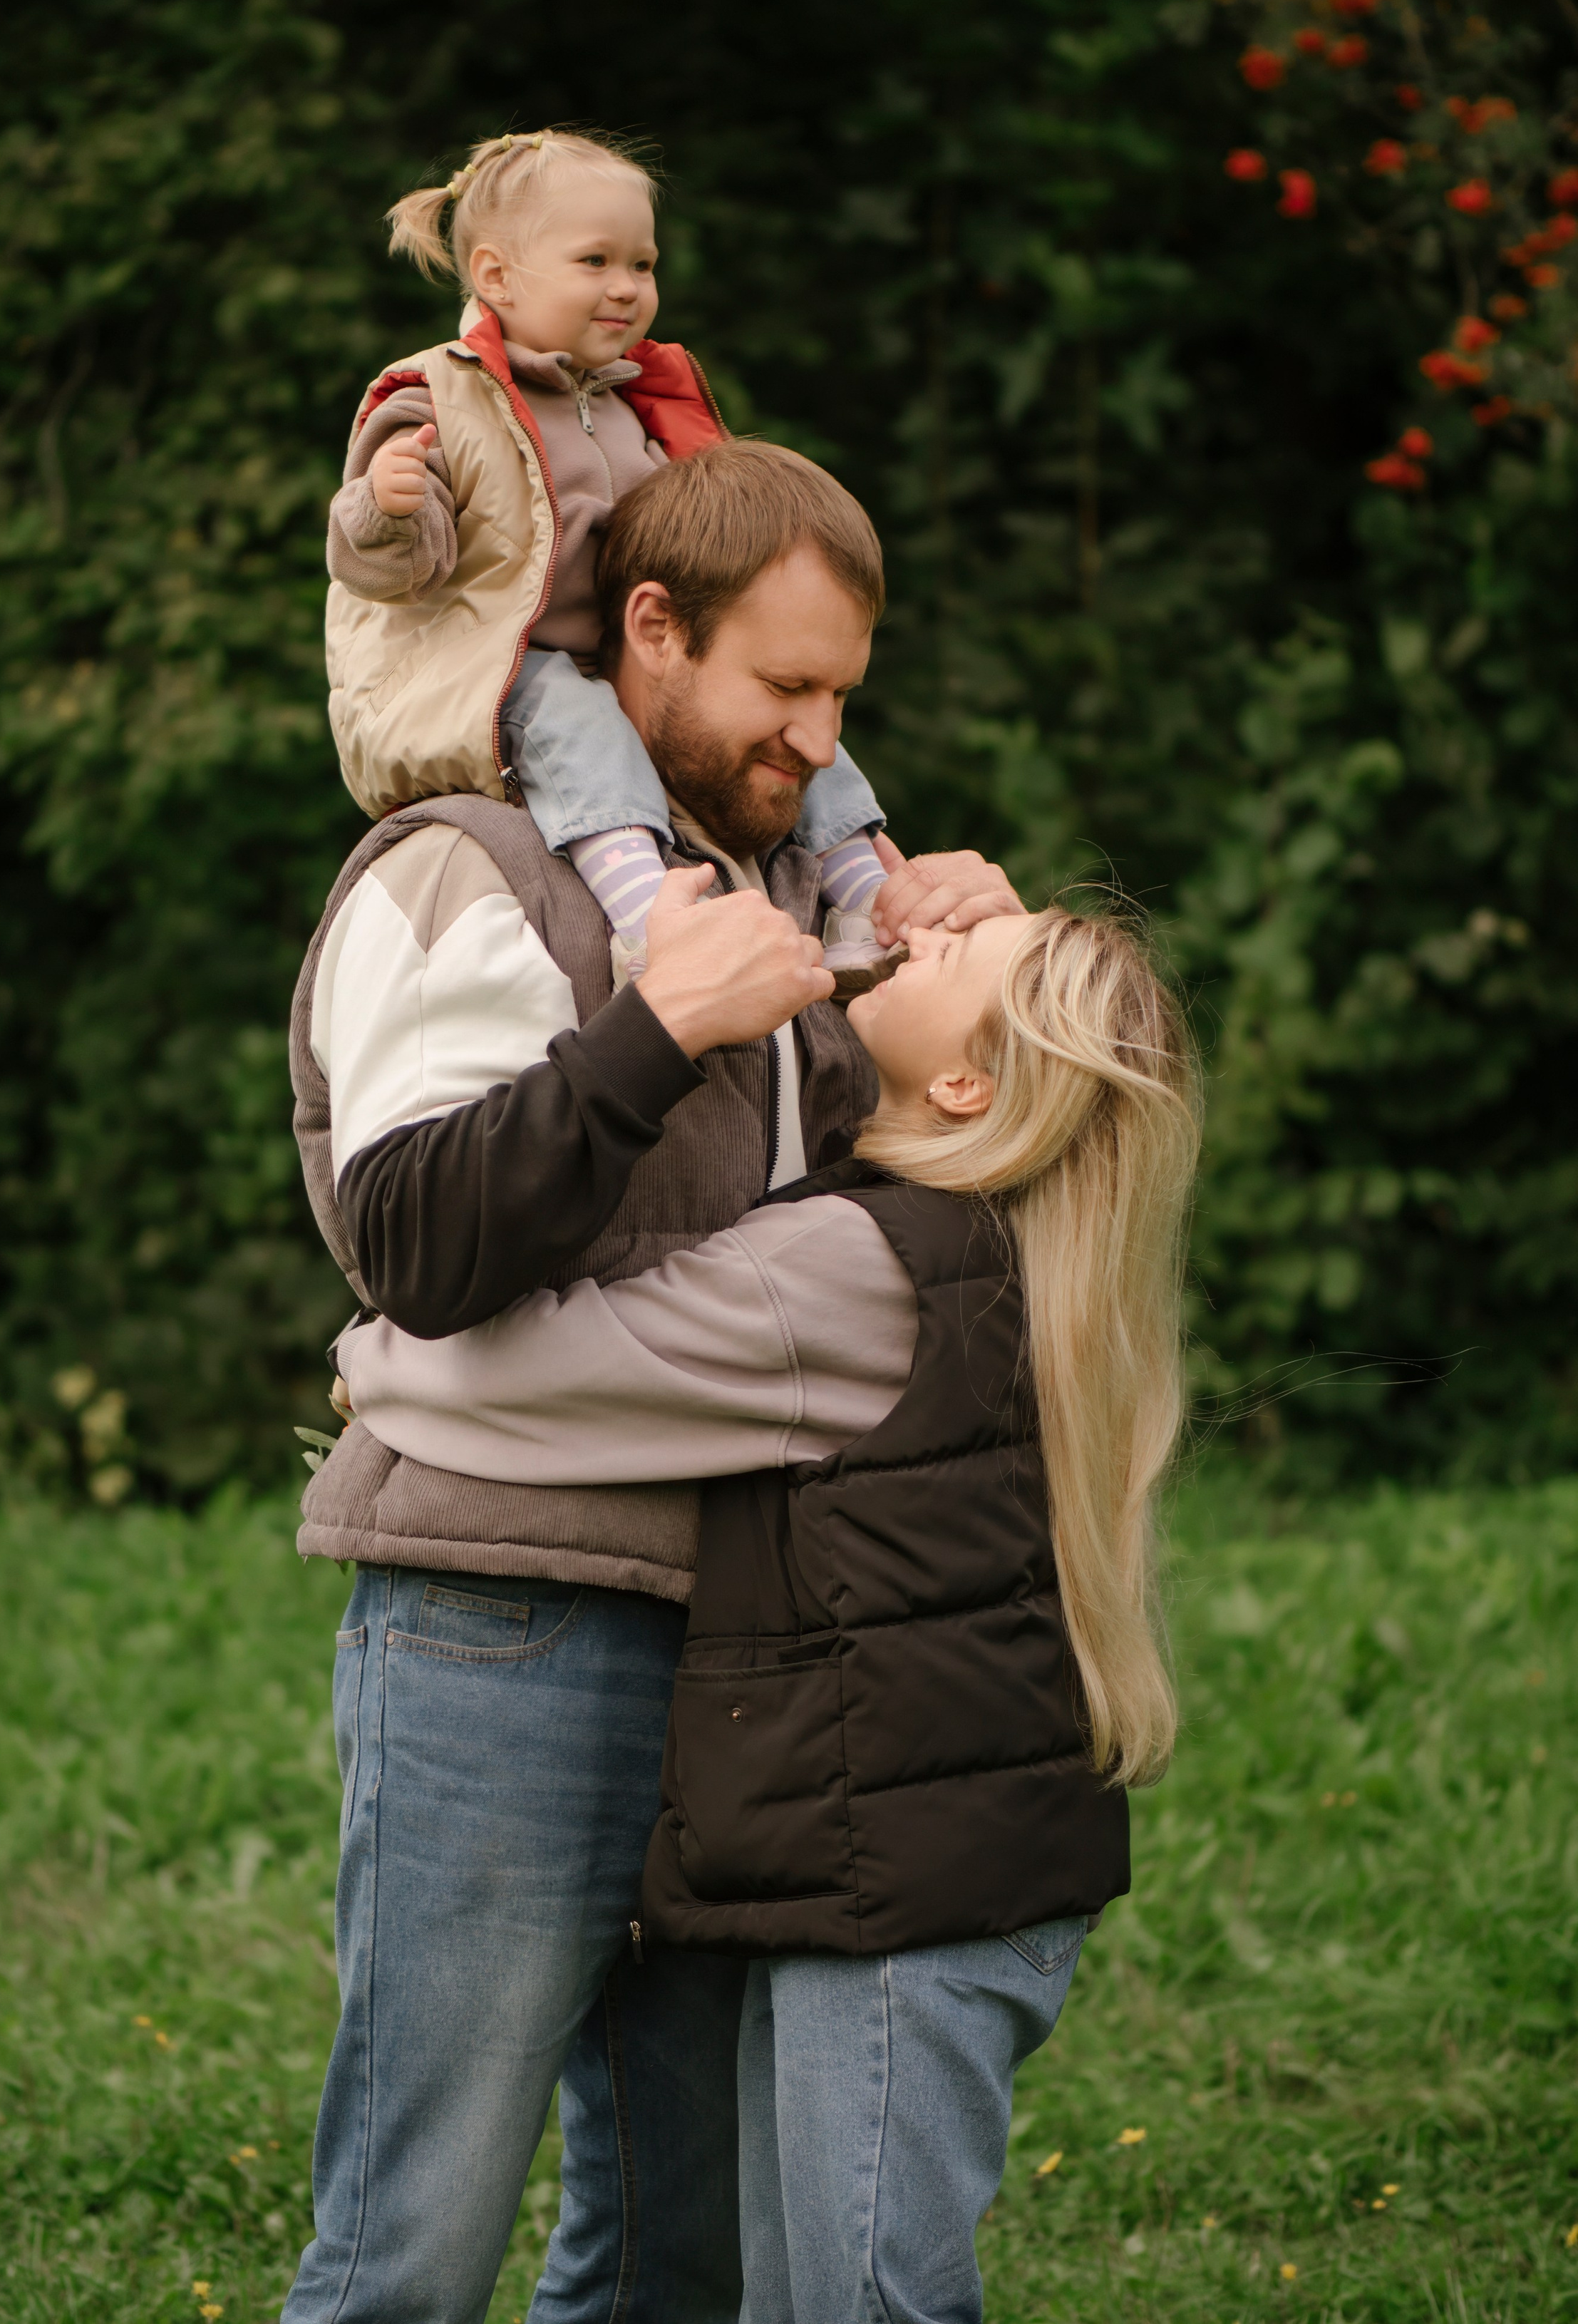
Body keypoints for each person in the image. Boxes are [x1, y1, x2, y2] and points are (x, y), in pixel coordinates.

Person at [283, 441, 1023, 2322]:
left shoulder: (788, 887)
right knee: (411, 2250)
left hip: (749, 1648)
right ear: (649, 630)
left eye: (846, 691)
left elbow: (882, 1225)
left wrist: (963, 964)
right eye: (784, 687)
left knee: (670, 2256)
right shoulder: (469, 868)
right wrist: (651, 1024)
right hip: (499, 1626)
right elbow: (415, 1246)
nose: (821, 733)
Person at [337, 899, 1201, 2324]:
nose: (897, 943)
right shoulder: (1001, 1243)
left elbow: (522, 1376)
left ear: (970, 1082)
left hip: (899, 1890)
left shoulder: (849, 1269)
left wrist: (365, 1362)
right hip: (949, 1866)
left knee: (863, 2299)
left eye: (940, 957)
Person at [326, 125, 925, 987]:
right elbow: (382, 571)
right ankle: (648, 917)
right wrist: (388, 505)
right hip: (495, 660)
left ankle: (866, 894)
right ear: (496, 275)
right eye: (595, 262)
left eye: (641, 265)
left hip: (619, 651)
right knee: (578, 727)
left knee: (803, 727)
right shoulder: (439, 398)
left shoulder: (629, 398)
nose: (626, 288)